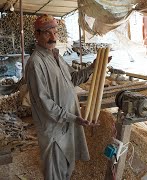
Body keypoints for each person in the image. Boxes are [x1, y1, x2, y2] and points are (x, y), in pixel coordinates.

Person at [25, 14, 95, 179]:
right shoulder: (36, 63)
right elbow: (44, 102)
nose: (53, 37)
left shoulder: (56, 55)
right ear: (37, 34)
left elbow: (72, 80)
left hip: (66, 122)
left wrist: (93, 67)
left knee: (66, 165)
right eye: (47, 33)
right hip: (53, 128)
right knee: (55, 170)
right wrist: (71, 117)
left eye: (55, 32)